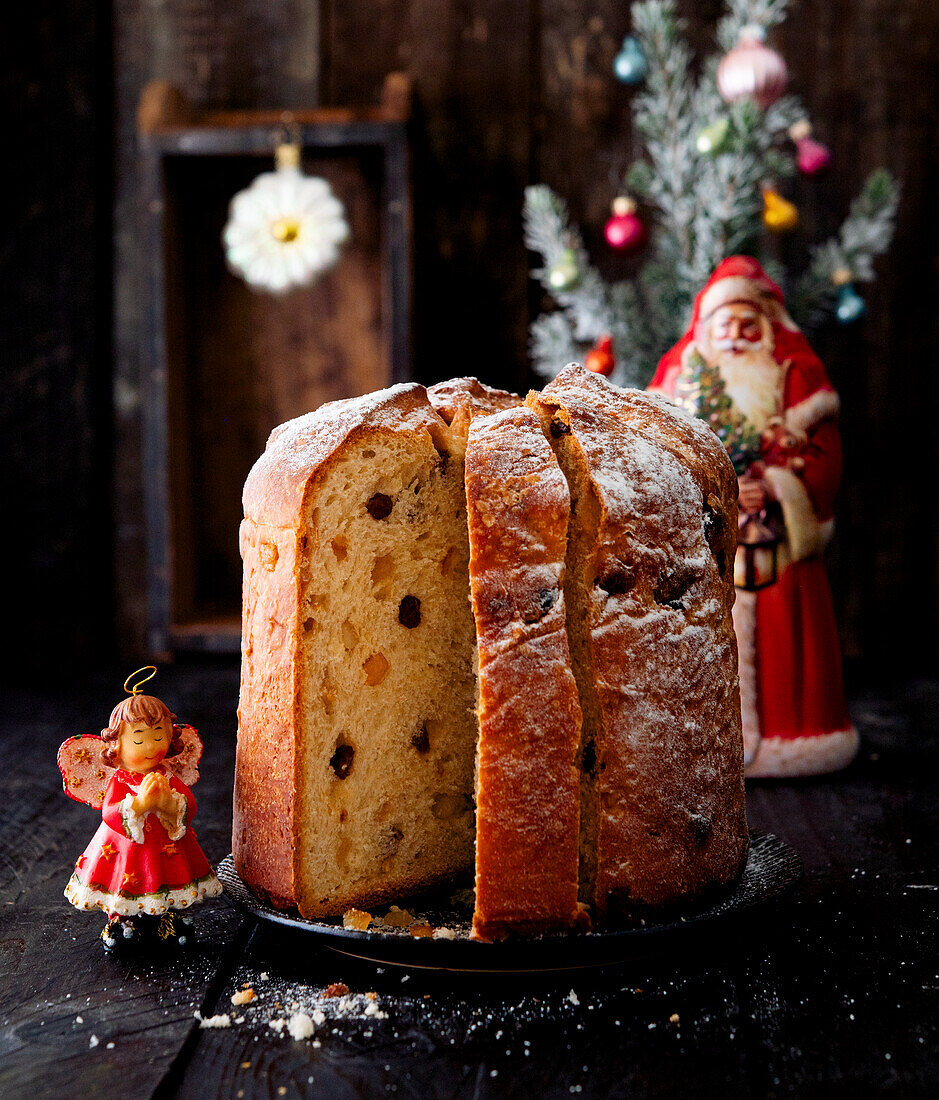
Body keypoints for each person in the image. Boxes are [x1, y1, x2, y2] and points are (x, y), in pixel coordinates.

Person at [649, 256, 858, 777]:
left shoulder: (797, 382)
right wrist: (721, 490)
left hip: (778, 546)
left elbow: (824, 454)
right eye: (726, 326)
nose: (737, 337)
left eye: (749, 325)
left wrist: (777, 485)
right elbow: (658, 458)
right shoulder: (680, 382)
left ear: (767, 330)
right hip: (705, 553)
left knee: (791, 643)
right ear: (706, 330)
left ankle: (796, 736)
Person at [59, 670, 221, 949]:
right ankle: (121, 920)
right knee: (124, 882)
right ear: (117, 745)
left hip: (164, 847)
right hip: (125, 849)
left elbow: (189, 806)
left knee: (166, 877)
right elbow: (110, 813)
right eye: (138, 739)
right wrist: (143, 803)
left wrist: (167, 804)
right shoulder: (121, 780)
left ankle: (166, 919)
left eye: (159, 736)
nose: (151, 746)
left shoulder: (168, 777)